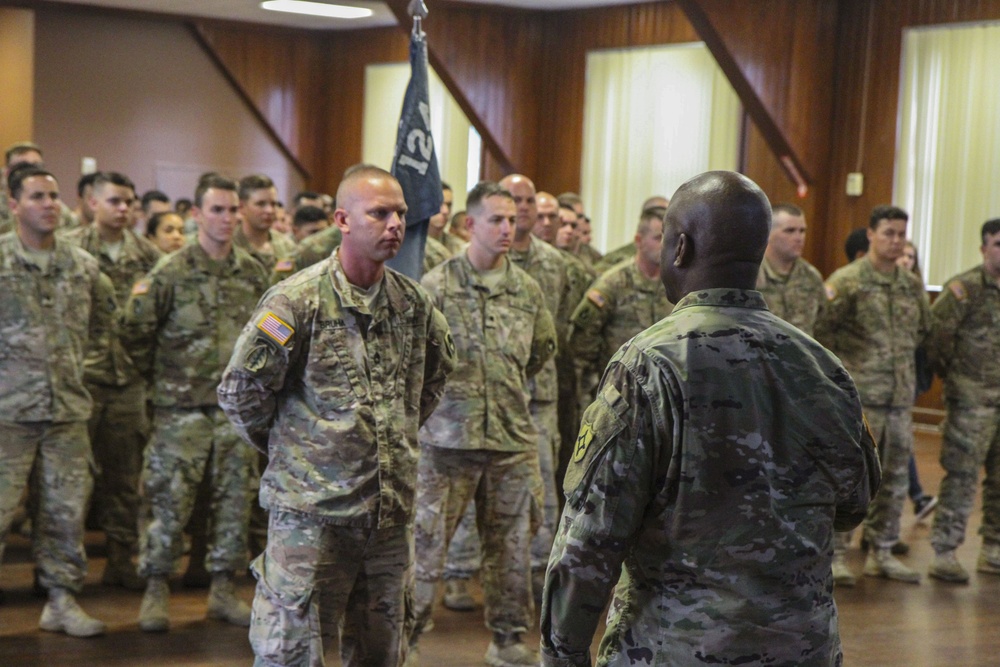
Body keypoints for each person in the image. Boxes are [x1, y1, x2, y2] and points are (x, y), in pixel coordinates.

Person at [540, 170, 880, 667]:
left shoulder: (648, 365)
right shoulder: (822, 365)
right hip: (801, 646)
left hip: (675, 648)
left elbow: (591, 539)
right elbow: (855, 501)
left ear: (680, 248)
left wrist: (562, 652)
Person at [218, 165, 455, 667]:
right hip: (311, 517)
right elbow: (242, 392)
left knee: (381, 652)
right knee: (291, 651)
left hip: (387, 517)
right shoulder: (296, 301)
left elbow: (432, 383)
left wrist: (392, 436)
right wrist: (295, 450)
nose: (395, 224)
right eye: (380, 213)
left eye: (401, 214)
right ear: (343, 220)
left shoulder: (413, 304)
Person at [410, 181, 556, 667]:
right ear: (469, 224)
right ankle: (404, 639)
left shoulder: (527, 289)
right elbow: (419, 360)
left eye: (512, 219)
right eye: (496, 219)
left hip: (511, 440)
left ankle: (508, 638)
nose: (508, 229)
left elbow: (538, 354)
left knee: (512, 547)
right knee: (425, 546)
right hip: (447, 440)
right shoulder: (436, 285)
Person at [120, 174, 269, 632]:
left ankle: (223, 590)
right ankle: (156, 589)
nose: (226, 219)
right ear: (197, 215)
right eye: (217, 210)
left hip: (234, 414)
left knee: (233, 505)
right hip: (180, 410)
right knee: (168, 503)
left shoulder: (254, 273)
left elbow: (269, 337)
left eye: (232, 210)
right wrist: (165, 381)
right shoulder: (169, 273)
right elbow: (134, 333)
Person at [0, 165, 115, 636]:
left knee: (66, 513)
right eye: (37, 196)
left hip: (67, 412)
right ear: (13, 205)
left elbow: (103, 326)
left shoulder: (83, 266)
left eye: (53, 195)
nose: (50, 204)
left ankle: (62, 599)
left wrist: (76, 370)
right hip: (7, 414)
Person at [815, 205, 930, 584]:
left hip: (899, 400)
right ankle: (836, 556)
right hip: (859, 400)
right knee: (852, 478)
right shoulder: (846, 281)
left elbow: (921, 335)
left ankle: (882, 550)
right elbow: (822, 335)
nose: (896, 241)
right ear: (871, 235)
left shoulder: (910, 284)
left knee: (896, 478)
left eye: (901, 234)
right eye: (889, 233)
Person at [62, 171, 162, 591]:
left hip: (128, 382)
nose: (124, 209)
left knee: (124, 478)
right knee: (71, 483)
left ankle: (121, 560)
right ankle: (61, 572)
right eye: (115, 201)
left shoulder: (149, 256)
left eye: (129, 202)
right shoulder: (70, 251)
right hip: (81, 382)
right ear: (91, 202)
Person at [926, 219, 1000, 583]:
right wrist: (957, 380)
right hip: (972, 400)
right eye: (999, 243)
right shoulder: (963, 289)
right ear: (984, 247)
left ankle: (994, 549)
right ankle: (945, 551)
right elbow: (937, 340)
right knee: (962, 476)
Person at [755, 202, 826, 335]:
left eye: (802, 231)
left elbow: (823, 326)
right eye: (790, 231)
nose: (799, 238)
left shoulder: (811, 276)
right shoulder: (751, 274)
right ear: (767, 232)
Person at [234, 174, 297, 273]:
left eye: (273, 204)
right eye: (261, 204)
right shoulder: (229, 246)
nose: (269, 210)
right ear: (241, 207)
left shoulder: (287, 246)